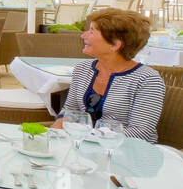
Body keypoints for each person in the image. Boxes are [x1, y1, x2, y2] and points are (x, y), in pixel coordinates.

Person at [53, 9, 164, 143]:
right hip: (83, 147)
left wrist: (87, 137)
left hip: (127, 153)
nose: (83, 36)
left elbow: (140, 132)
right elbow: (70, 112)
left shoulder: (147, 80)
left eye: (92, 31)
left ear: (115, 45)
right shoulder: (82, 69)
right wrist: (52, 136)